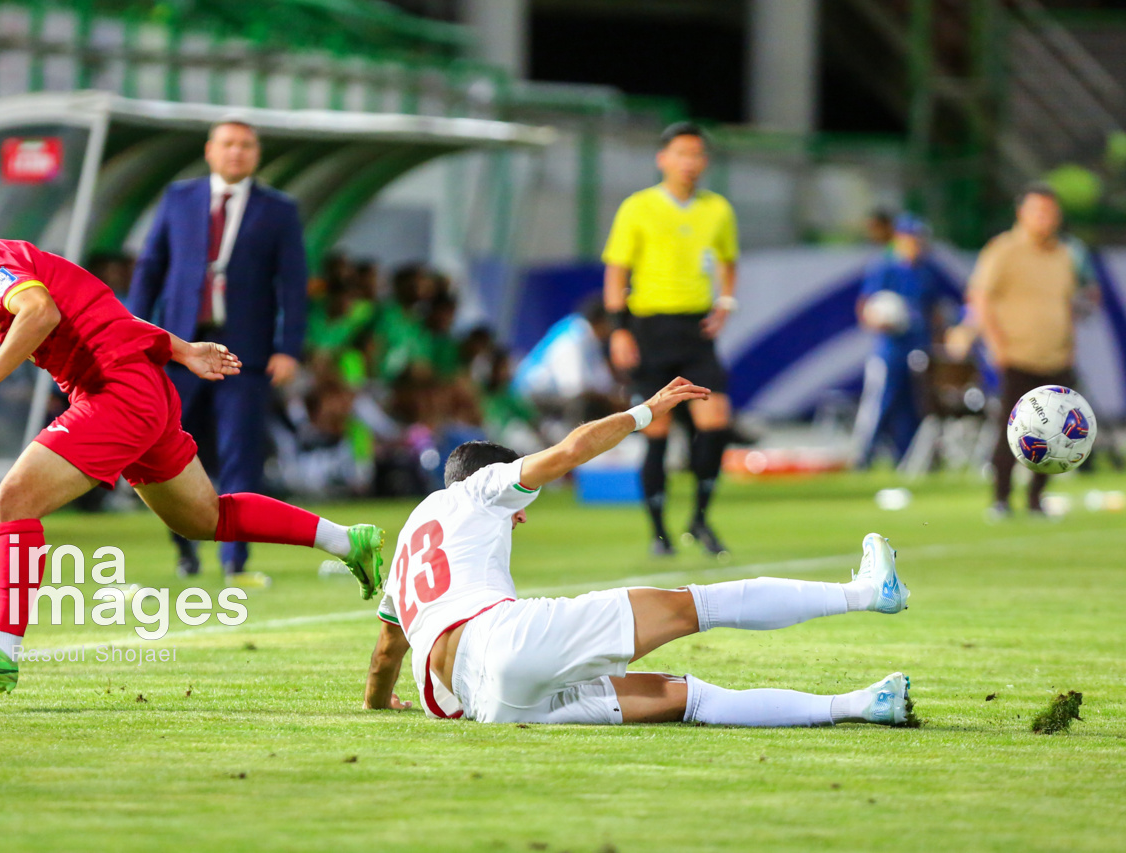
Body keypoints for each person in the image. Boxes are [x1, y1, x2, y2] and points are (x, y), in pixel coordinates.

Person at [0, 205, 384, 694]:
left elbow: (40, 311)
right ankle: (346, 541)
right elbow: (102, 309)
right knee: (203, 519)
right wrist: (179, 349)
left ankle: (2, 647)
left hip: (117, 393)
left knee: (13, 501)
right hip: (138, 388)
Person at [360, 377, 913, 726]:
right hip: (501, 639)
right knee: (695, 604)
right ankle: (866, 592)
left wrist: (378, 705)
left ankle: (863, 705)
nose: (522, 513)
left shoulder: (411, 534)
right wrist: (648, 410)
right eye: (519, 504)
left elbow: (389, 648)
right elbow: (572, 449)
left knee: (683, 698)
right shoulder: (479, 489)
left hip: (488, 706)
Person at [127, 119, 307, 585]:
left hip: (242, 354)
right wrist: (132, 331)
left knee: (240, 457)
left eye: (246, 145)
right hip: (181, 349)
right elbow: (150, 268)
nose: (236, 153)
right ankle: (184, 551)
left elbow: (293, 285)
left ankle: (235, 562)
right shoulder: (179, 199)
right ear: (210, 150)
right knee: (167, 452)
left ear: (257, 154)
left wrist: (288, 349)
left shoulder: (279, 209)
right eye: (228, 144)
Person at [603, 122, 740, 557]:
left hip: (696, 331)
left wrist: (726, 303)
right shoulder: (637, 208)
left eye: (698, 154)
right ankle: (659, 531)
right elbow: (617, 272)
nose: (690, 162)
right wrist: (618, 328)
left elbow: (728, 261)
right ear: (663, 158)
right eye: (682, 153)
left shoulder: (717, 209)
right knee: (655, 428)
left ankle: (699, 518)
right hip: (650, 329)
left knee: (716, 422)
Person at [968, 183, 1098, 517]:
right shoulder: (1003, 249)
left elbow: (1070, 303)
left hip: (1056, 356)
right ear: (1021, 213)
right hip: (1017, 356)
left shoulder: (1065, 254)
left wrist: (1070, 344)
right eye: (1038, 211)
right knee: (1013, 430)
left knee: (1058, 435)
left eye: (1051, 212)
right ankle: (1000, 499)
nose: (1046, 218)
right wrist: (997, 345)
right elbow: (980, 298)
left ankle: (1036, 499)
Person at [852, 214, 951, 468]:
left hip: (918, 346)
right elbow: (866, 306)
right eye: (910, 238)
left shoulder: (926, 270)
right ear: (899, 239)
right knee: (881, 401)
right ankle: (864, 456)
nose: (915, 243)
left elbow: (934, 310)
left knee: (914, 405)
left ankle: (906, 458)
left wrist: (939, 340)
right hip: (891, 348)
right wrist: (878, 321)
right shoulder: (884, 266)